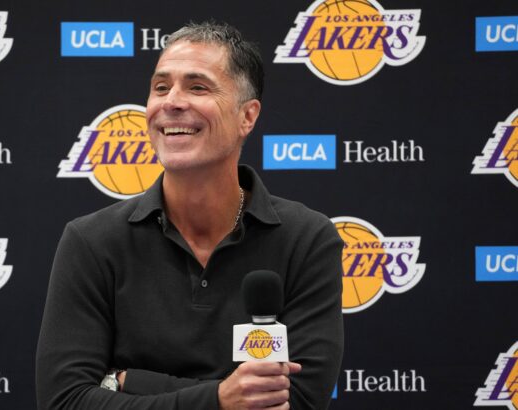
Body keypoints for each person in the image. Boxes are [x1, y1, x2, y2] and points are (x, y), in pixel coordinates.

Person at [36, 21, 343, 410]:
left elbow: (297, 401)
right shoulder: (91, 241)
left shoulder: (307, 239)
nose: (172, 102)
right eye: (161, 87)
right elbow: (64, 401)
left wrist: (132, 382)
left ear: (247, 116)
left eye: (198, 87)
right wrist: (219, 398)